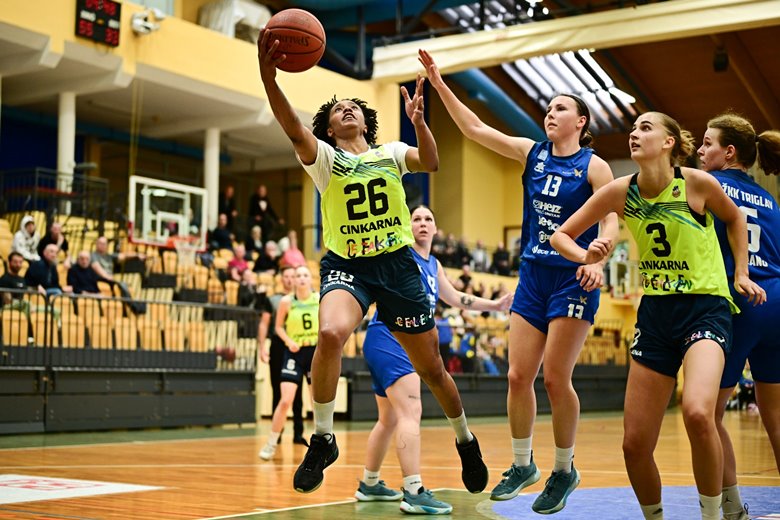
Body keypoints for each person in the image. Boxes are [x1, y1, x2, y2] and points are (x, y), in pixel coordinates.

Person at [259, 32, 489, 496]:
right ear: (329, 129)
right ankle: (323, 438)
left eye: (353, 106)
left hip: (398, 267)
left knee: (433, 370)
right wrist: (270, 78)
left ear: (366, 121)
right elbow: (292, 126)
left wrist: (420, 122)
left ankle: (465, 439)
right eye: (337, 109)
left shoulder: (390, 153)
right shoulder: (324, 159)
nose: (346, 109)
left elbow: (431, 161)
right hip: (349, 265)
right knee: (330, 333)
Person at [419, 49, 619, 513]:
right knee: (516, 376)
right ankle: (522, 463)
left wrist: (601, 253)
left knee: (555, 378)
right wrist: (440, 83)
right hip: (532, 274)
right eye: (547, 108)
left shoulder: (594, 166)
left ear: (580, 121)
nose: (550, 113)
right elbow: (474, 129)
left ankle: (564, 469)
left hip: (573, 277)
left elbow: (611, 216)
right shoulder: (532, 152)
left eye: (560, 108)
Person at [550, 111, 766, 520]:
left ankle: (713, 515)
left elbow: (735, 219)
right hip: (655, 314)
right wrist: (587, 255)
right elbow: (561, 235)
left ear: (669, 142)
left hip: (705, 308)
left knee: (698, 412)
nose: (634, 133)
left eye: (645, 128)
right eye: (633, 128)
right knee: (634, 444)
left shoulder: (697, 183)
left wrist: (741, 273)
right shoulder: (620, 191)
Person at [355, 206, 512, 514]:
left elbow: (453, 297)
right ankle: (413, 491)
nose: (423, 223)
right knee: (411, 410)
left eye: (428, 219)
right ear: (407, 226)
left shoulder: (434, 264)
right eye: (416, 219)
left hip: (393, 341)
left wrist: (494, 305)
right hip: (390, 337)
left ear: (436, 229)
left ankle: (369, 484)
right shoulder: (401, 254)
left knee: (389, 418)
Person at [696, 112, 780, 520]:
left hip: (737, 300)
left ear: (729, 152)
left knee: (708, 416)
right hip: (776, 301)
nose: (700, 150)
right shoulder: (770, 200)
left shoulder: (707, 186)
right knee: (776, 417)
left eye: (707, 143)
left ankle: (730, 509)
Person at [259, 265, 319, 460]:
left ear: (310, 279)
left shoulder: (319, 299)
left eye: (305, 275)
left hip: (314, 353)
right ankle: (271, 443)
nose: (301, 278)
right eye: (298, 275)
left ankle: (321, 447)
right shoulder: (286, 301)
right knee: (285, 400)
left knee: (316, 403)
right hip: (294, 353)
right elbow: (278, 327)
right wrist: (289, 341)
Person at [258, 266, 305, 444]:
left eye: (293, 276)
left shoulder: (303, 300)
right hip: (278, 345)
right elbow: (264, 323)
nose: (290, 279)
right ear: (281, 278)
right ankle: (276, 431)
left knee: (298, 390)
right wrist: (262, 347)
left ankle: (298, 431)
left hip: (297, 345)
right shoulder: (273, 300)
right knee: (277, 388)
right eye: (286, 276)